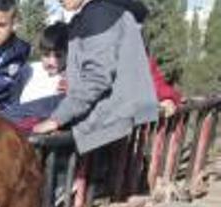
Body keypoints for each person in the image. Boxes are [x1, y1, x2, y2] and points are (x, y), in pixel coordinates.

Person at [32, 0, 158, 153]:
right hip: (111, 121)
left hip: (106, 123)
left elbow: (96, 78)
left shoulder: (100, 15)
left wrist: (57, 118)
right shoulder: (97, 14)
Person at [1, 22, 68, 132]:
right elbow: (13, 95)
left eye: (58, 56)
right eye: (46, 55)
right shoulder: (30, 69)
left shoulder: (67, 77)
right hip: (19, 117)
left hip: (40, 124)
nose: (51, 61)